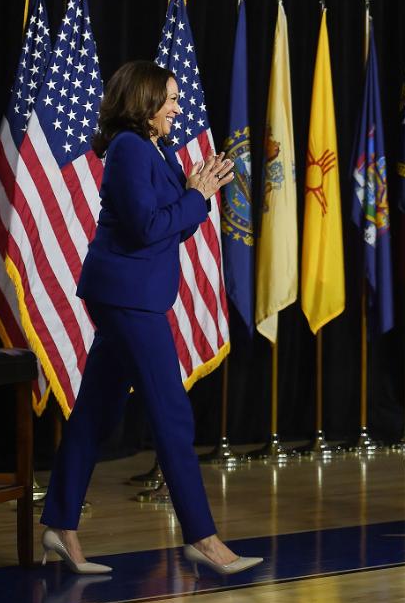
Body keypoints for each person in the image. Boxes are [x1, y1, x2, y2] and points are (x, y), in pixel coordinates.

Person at [39, 60, 262, 576]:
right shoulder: (129, 149)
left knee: (95, 412)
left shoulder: (153, 150)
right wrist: (194, 196)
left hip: (130, 293)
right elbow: (144, 228)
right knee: (172, 414)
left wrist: (196, 195)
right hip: (129, 298)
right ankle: (202, 538)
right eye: (171, 99)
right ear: (145, 101)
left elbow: (169, 229)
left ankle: (60, 526)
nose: (177, 108)